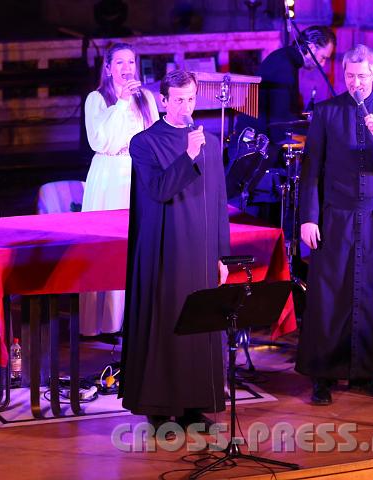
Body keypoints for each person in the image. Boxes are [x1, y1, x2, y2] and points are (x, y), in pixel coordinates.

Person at [297, 44, 373, 405]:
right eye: (349, 77)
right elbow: (311, 171)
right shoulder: (326, 112)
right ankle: (322, 375)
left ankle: (365, 373)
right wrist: (308, 217)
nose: (355, 84)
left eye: (361, 77)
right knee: (329, 297)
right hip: (335, 217)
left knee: (372, 296)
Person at [120, 70, 230, 428]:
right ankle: (158, 408)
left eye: (191, 99)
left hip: (200, 251)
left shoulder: (209, 142)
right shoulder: (144, 143)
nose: (186, 106)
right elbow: (160, 191)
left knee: (198, 322)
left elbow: (218, 202)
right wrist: (188, 154)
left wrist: (222, 256)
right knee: (166, 321)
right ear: (164, 101)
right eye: (179, 99)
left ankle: (193, 405)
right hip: (164, 250)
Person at [79, 43, 159, 339]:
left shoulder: (146, 97)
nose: (127, 68)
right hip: (109, 174)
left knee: (137, 245)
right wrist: (122, 103)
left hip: (137, 172)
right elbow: (100, 142)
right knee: (108, 245)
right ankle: (103, 322)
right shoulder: (96, 99)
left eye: (131, 62)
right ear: (109, 68)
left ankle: (133, 319)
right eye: (120, 63)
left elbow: (153, 134)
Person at [227, 26, 335, 222]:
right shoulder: (284, 66)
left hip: (258, 146)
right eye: (323, 57)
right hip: (252, 154)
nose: (323, 64)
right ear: (310, 47)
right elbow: (279, 123)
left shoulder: (284, 60)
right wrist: (313, 132)